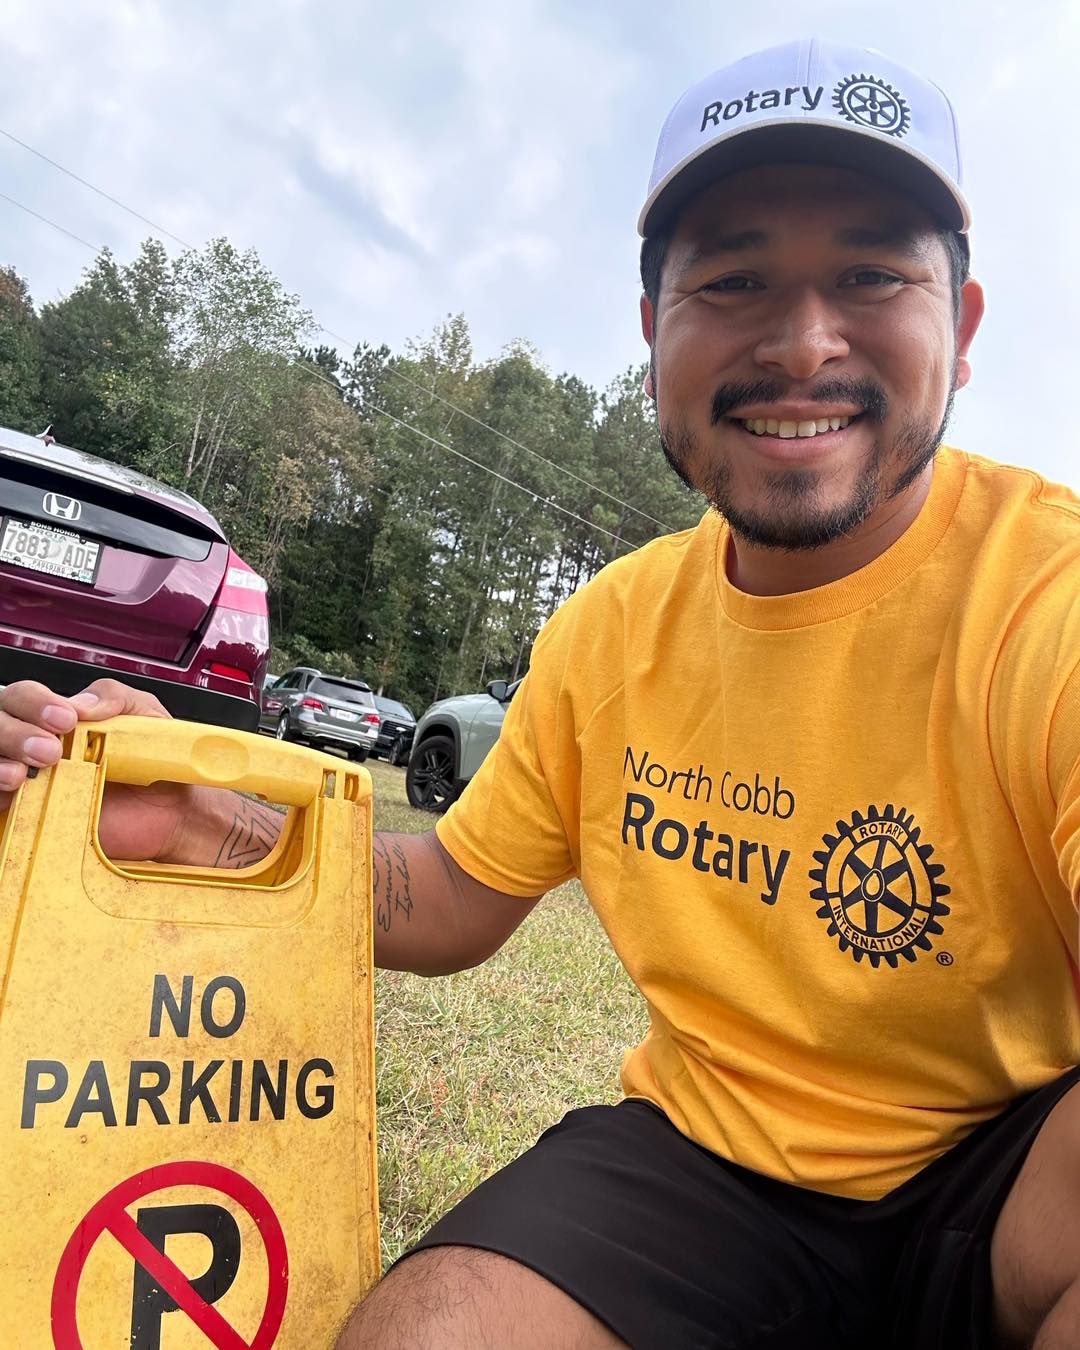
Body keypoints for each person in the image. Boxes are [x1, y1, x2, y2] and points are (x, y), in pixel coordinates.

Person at [3, 36, 1080, 1349]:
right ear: (653, 335)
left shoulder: (1048, 603)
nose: (804, 344)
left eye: (870, 275)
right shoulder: (613, 632)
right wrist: (204, 820)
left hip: (1010, 1180)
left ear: (962, 331)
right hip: (707, 1170)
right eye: (734, 280)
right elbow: (454, 896)